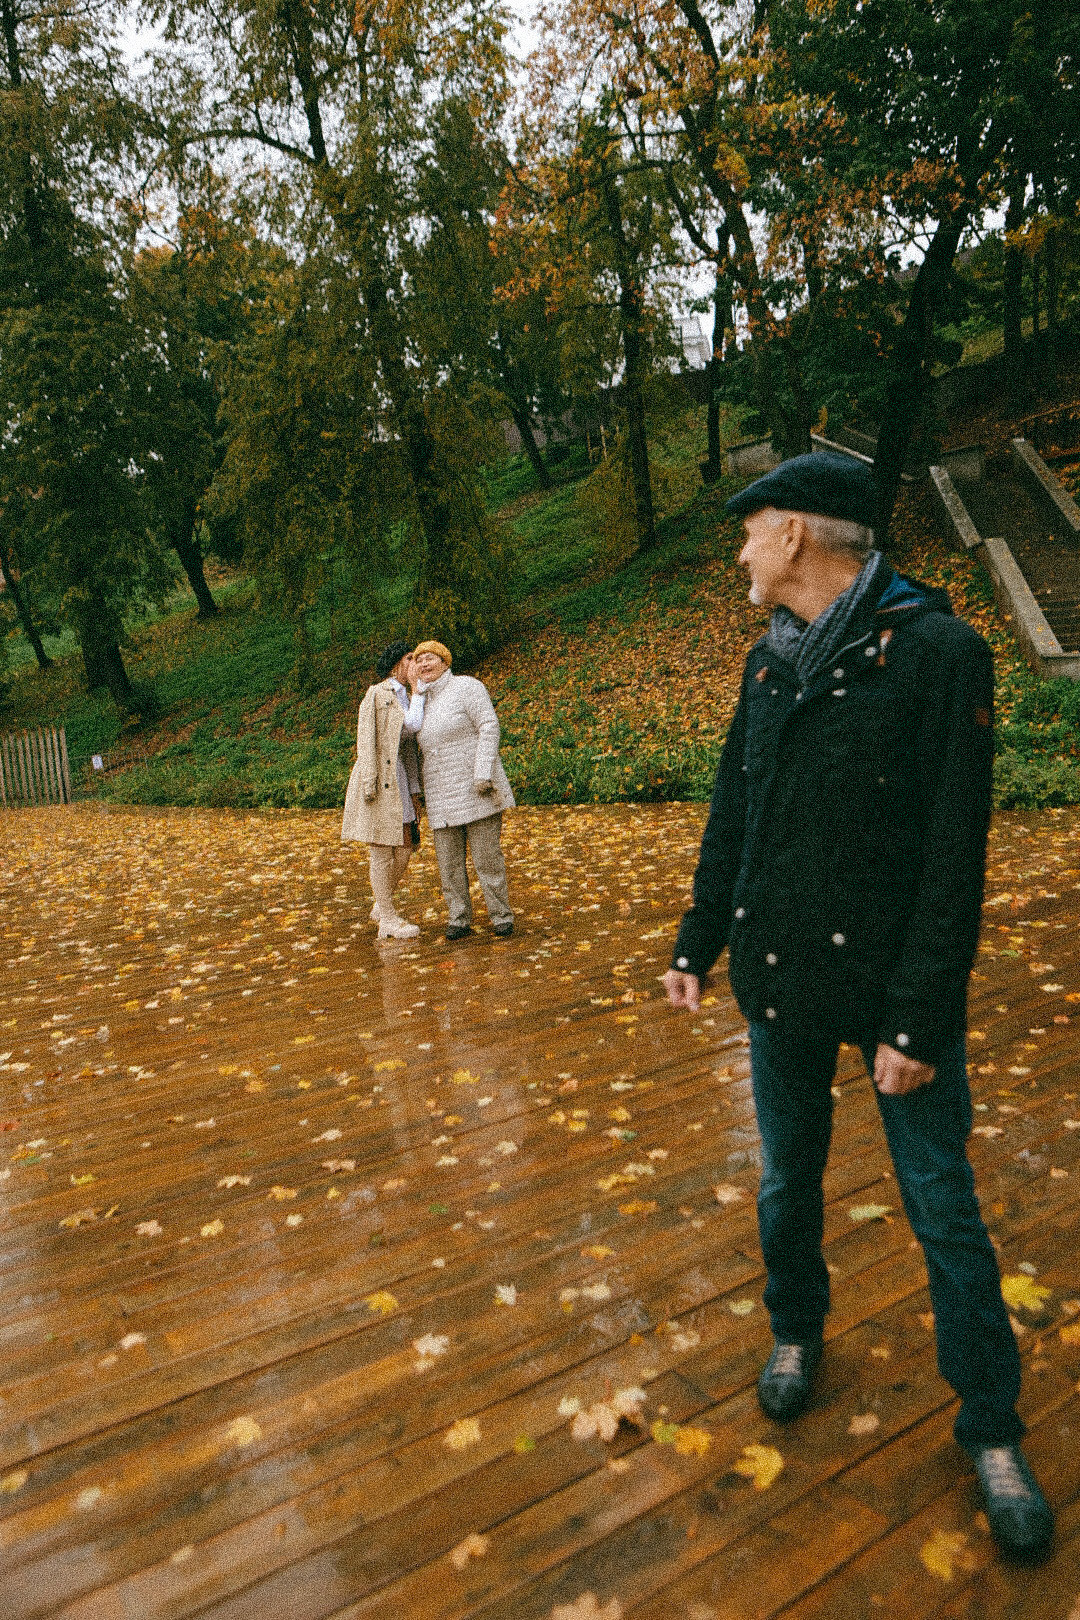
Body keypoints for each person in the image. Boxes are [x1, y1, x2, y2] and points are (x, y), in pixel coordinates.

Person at [663, 451, 1053, 1562]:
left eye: (748, 533)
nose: (737, 553)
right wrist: (699, 940)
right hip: (782, 974)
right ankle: (796, 1329)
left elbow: (952, 858)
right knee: (788, 1174)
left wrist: (920, 1023)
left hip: (896, 999)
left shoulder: (941, 654)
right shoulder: (767, 663)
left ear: (792, 535)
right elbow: (736, 811)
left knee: (943, 1209)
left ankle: (991, 1427)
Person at [412, 640, 515, 941]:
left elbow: (489, 726)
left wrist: (483, 772)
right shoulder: (419, 701)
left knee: (487, 858)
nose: (424, 664)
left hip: (476, 788)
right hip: (440, 793)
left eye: (429, 658)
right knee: (448, 863)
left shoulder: (467, 687)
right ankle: (458, 917)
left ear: (445, 661)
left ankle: (501, 916)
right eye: (418, 660)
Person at [341, 640, 425, 941]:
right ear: (395, 664)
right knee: (380, 851)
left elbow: (410, 749)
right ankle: (388, 919)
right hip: (377, 780)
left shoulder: (409, 696)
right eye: (410, 658)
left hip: (400, 778)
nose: (416, 663)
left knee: (405, 849)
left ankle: (382, 902)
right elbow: (368, 740)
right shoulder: (377, 694)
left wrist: (415, 792)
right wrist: (369, 784)